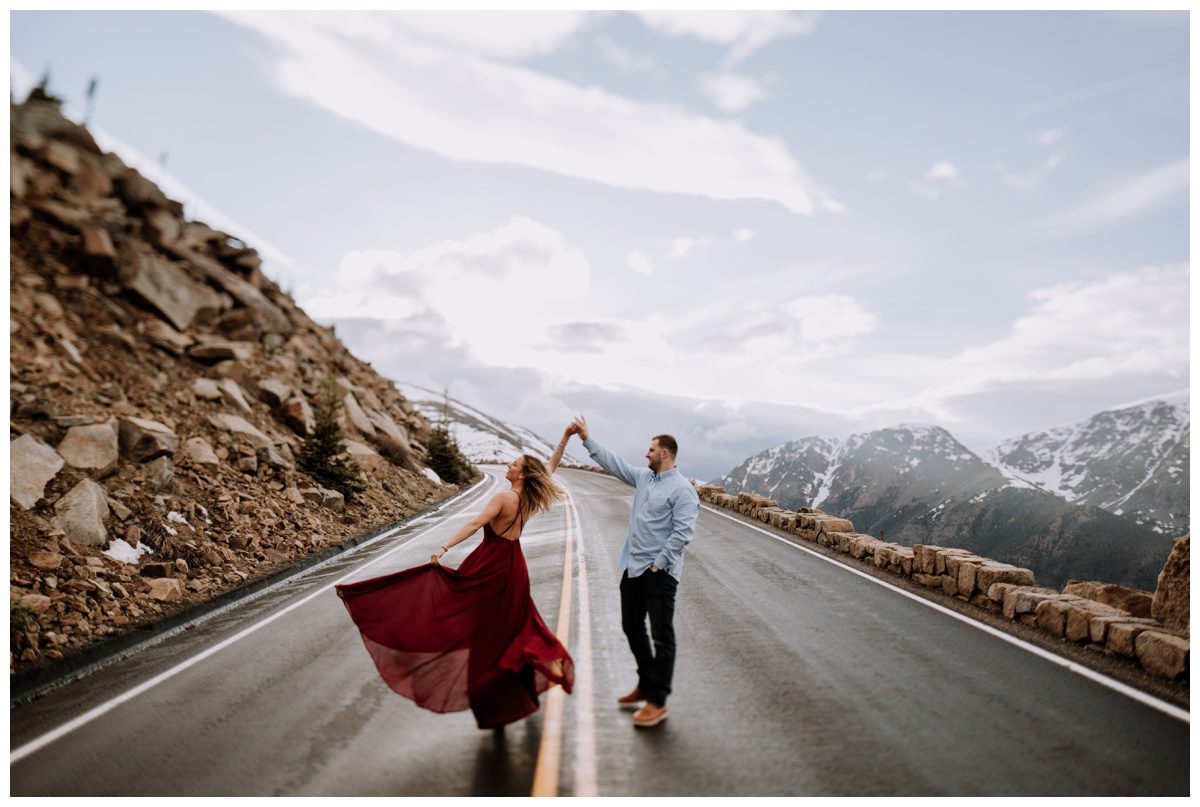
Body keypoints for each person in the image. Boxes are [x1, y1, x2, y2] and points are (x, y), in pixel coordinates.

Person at [334, 435, 575, 730]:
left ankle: (496, 707)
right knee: (515, 634)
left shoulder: (503, 498)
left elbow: (475, 524)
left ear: (522, 474)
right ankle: (521, 697)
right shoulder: (530, 498)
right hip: (515, 572)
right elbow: (549, 468)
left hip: (489, 569)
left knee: (485, 640)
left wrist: (444, 547)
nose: (507, 464)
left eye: (513, 464)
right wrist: (564, 437)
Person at [568, 416, 699, 728]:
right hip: (633, 568)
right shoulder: (645, 478)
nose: (646, 454)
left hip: (659, 574)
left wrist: (659, 564)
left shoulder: (682, 491)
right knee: (631, 626)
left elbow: (682, 534)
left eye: (651, 450)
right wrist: (587, 439)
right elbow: (614, 464)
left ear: (665, 453)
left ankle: (657, 701)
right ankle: (646, 682)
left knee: (662, 635)